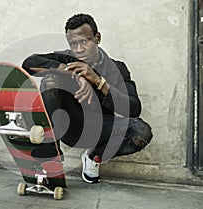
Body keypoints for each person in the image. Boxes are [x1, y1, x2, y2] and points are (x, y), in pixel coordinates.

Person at [22, 13, 153, 184]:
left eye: (84, 42)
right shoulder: (68, 58)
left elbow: (134, 108)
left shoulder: (118, 68)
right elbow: (29, 63)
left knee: (141, 132)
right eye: (73, 44)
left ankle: (94, 157)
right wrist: (66, 70)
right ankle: (50, 149)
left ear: (97, 38)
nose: (78, 49)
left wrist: (99, 82)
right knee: (51, 79)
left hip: (101, 128)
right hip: (70, 126)